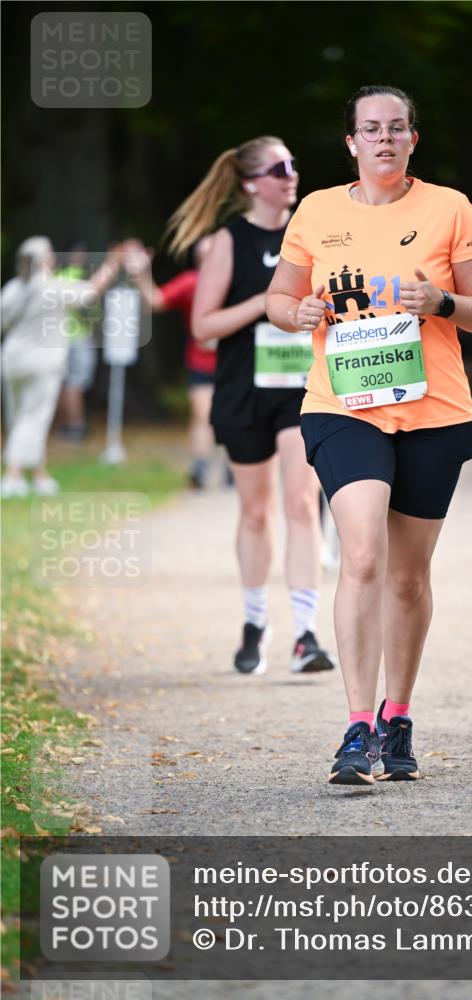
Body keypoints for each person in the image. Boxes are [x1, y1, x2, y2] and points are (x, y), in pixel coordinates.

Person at [266, 85, 472, 785]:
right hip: (343, 406)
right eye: (369, 129)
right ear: (350, 142)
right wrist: (297, 312)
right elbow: (278, 300)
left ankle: (396, 716)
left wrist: (442, 302)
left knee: (406, 578)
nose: (382, 138)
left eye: (395, 128)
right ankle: (355, 730)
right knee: (362, 553)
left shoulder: (448, 208)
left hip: (434, 411)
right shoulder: (316, 210)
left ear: (411, 140)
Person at [169, 135, 335, 675]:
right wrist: (266, 304)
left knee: (302, 503)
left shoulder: (313, 233)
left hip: (302, 390)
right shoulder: (228, 241)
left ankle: (306, 635)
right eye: (278, 167)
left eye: (293, 163)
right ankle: (254, 621)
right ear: (249, 183)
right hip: (243, 391)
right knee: (256, 511)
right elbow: (203, 325)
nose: (291, 173)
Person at [1, 236, 118, 497]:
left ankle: (39, 476)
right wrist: (113, 263)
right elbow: (91, 291)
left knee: (18, 417)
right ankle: (12, 476)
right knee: (33, 420)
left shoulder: (12, 288)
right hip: (43, 362)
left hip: (11, 361)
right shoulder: (52, 286)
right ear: (44, 260)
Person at [123, 235, 221, 489]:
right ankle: (200, 467)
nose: (207, 260)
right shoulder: (190, 283)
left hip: (236, 361)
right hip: (201, 361)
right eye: (202, 255)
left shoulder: (236, 281)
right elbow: (156, 300)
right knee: (203, 412)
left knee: (237, 416)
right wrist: (142, 274)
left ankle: (237, 467)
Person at [55, 243, 100, 442]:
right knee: (76, 383)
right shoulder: (79, 277)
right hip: (79, 337)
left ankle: (65, 426)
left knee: (65, 383)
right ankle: (76, 426)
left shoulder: (56, 278)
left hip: (60, 338)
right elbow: (89, 308)